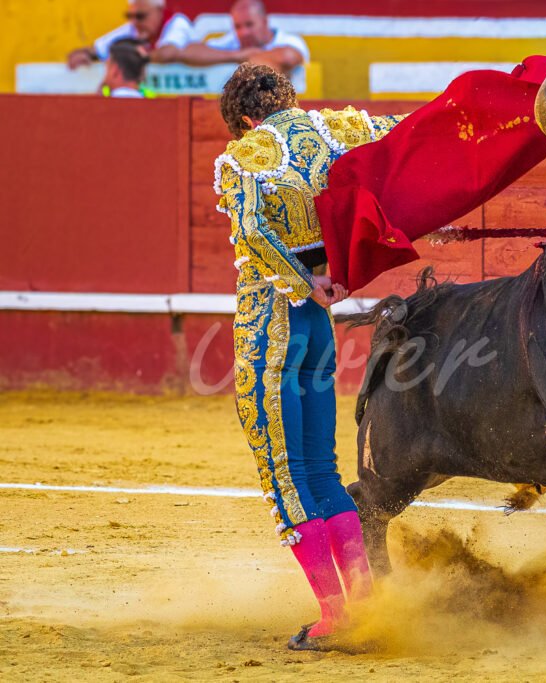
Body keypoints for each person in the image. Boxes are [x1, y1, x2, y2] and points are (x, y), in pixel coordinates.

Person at [214, 63, 404, 651]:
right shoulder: (336, 131)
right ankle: (367, 607)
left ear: (245, 118)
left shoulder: (246, 154)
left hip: (271, 322)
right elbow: (404, 134)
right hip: (318, 331)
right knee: (321, 468)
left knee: (285, 476)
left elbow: (249, 230)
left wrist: (301, 280)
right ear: (286, 99)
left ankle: (334, 617)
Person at [165, 0, 308, 75]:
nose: (244, 32)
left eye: (250, 24)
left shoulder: (289, 40)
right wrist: (237, 55)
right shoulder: (233, 42)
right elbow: (189, 51)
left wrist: (246, 58)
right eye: (238, 26)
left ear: (265, 21)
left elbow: (289, 57)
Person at [67, 0, 195, 69]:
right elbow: (98, 49)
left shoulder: (177, 22)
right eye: (130, 16)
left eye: (140, 16)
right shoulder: (135, 27)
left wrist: (130, 57)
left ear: (159, 11)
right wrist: (84, 54)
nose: (134, 21)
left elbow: (168, 53)